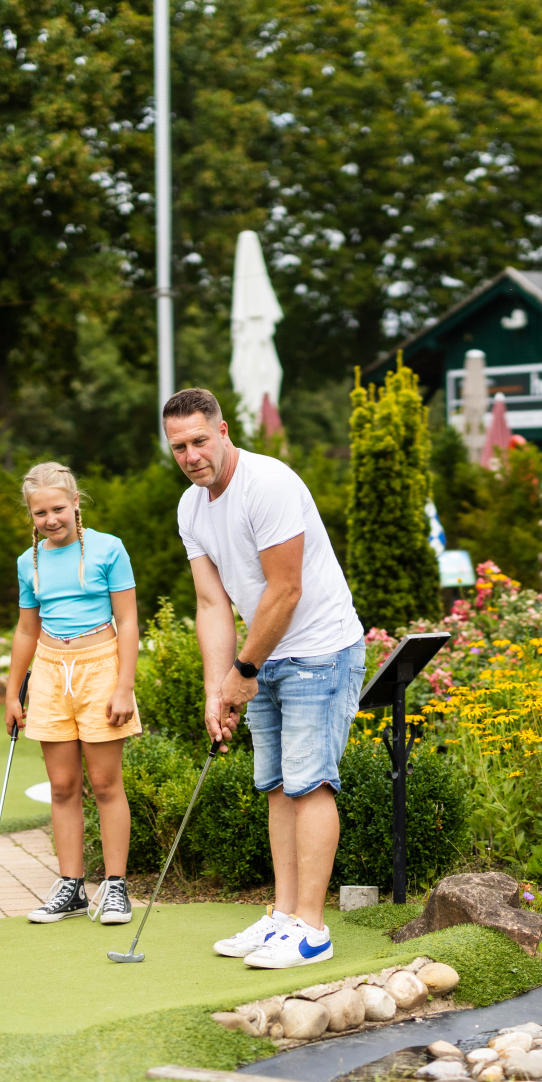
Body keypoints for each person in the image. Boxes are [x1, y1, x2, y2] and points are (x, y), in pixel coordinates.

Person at [165, 387, 364, 969]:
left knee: (309, 785)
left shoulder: (267, 483)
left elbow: (286, 589)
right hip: (265, 654)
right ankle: (283, 916)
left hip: (320, 652)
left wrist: (243, 672)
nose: (191, 456)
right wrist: (218, 687)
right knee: (277, 786)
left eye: (200, 441)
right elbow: (211, 604)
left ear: (223, 431)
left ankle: (312, 930)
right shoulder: (191, 508)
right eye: (179, 447)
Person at [3, 463, 143, 924]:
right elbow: (26, 630)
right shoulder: (29, 562)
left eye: (58, 509)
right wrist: (12, 693)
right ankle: (71, 887)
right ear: (31, 514)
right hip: (49, 671)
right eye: (40, 513)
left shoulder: (109, 548)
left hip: (101, 669)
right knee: (62, 787)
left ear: (76, 502)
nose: (51, 520)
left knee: (105, 784)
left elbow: (128, 621)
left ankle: (115, 887)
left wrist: (124, 686)